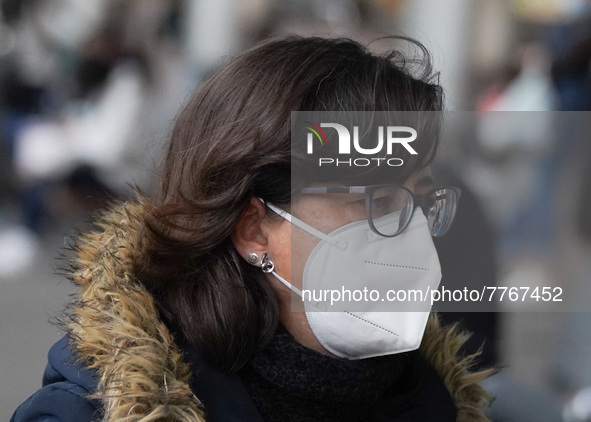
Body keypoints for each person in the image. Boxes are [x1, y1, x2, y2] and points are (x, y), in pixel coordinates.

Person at [11, 35, 493, 422]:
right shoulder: (90, 411)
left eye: (420, 201)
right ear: (255, 231)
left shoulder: (441, 401)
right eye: (373, 202)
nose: (408, 233)